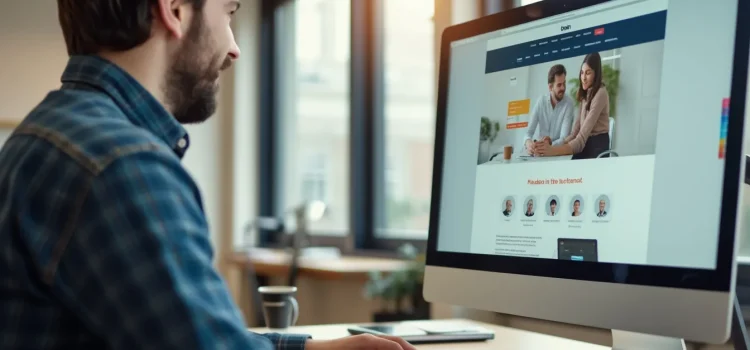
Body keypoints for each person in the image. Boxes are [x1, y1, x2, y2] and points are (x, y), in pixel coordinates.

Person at [0, 1, 415, 350]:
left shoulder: (47, 133)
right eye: (229, 12)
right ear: (175, 10)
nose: (234, 49)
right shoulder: (121, 166)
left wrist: (306, 348)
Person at [534, 52, 611, 159]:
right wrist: (552, 144)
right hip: (585, 144)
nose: (583, 78)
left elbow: (581, 139)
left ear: (596, 74)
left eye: (588, 73)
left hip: (596, 147)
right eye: (582, 73)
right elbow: (574, 134)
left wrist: (552, 151)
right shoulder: (585, 95)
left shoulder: (601, 93)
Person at [525, 64, 575, 155]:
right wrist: (529, 144)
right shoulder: (541, 102)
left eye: (564, 83)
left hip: (557, 153)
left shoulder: (568, 104)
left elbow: (564, 138)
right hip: (539, 153)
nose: (563, 88)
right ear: (550, 87)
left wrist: (549, 144)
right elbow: (528, 133)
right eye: (559, 85)